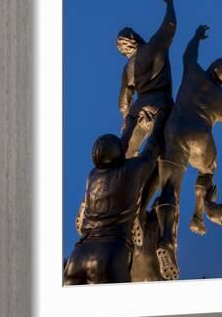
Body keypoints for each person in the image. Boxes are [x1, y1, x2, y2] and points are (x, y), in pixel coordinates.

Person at [156, 25, 222, 280]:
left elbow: (187, 55)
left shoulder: (193, 73)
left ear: (213, 67)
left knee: (170, 186)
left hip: (177, 128)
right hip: (201, 138)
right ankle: (198, 215)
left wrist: (196, 38)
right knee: (208, 169)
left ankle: (165, 235)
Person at [63, 112, 165, 285]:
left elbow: (121, 148)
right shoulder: (132, 170)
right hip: (109, 253)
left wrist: (131, 123)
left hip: (77, 255)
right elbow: (151, 150)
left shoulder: (92, 176)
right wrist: (157, 123)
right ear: (118, 153)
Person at [116, 0, 176, 159]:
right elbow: (169, 26)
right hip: (161, 107)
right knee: (162, 155)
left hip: (136, 112)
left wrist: (126, 120)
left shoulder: (128, 68)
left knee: (124, 156)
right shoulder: (154, 46)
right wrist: (169, 2)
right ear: (135, 38)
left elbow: (123, 103)